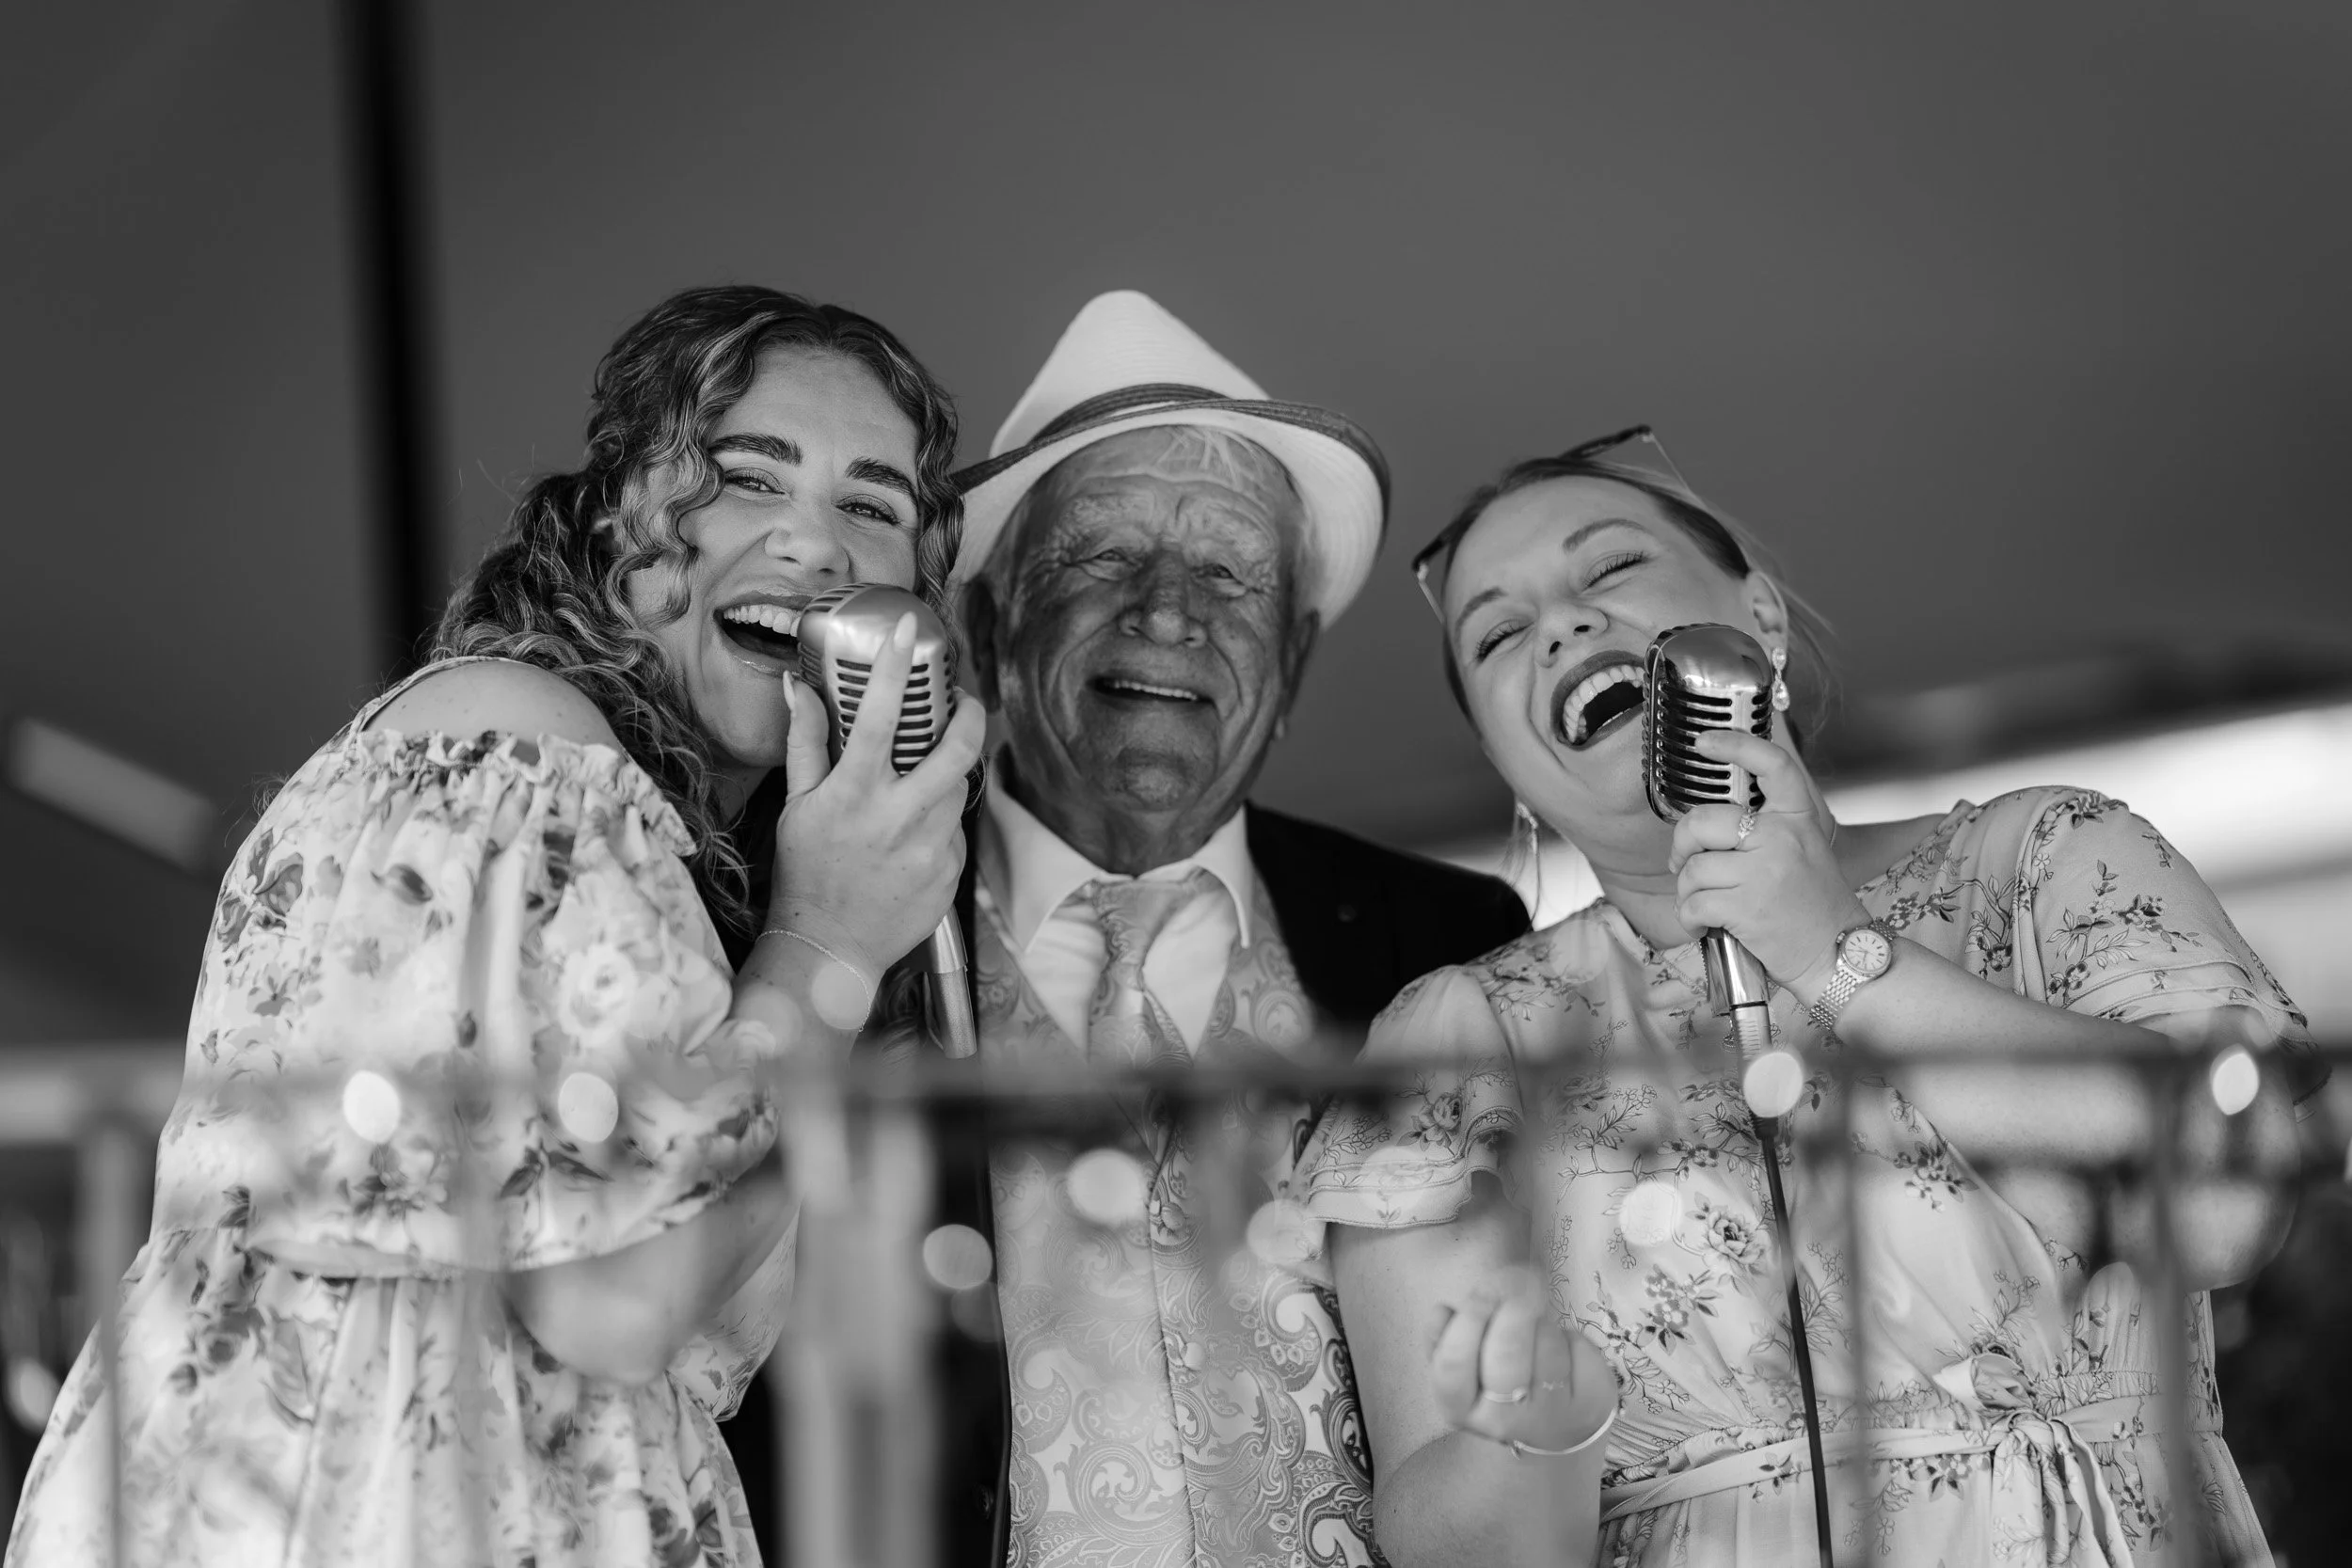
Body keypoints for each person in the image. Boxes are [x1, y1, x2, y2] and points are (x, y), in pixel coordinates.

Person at [3, 285, 983, 1567]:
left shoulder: (659, 862)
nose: (815, 546)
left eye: (873, 504)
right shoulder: (512, 753)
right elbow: (617, 1297)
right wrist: (828, 945)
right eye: (747, 478)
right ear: (618, 525)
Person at [1295, 427, 2326, 1567]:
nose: (1563, 624)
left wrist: (1832, 945)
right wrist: (1541, 1419)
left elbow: (2224, 1212)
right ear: (1502, 755)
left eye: (1611, 570)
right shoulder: (1457, 1042)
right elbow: (1447, 1547)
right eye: (1497, 631)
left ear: (1762, 623)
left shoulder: (2044, 859)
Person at [934, 291, 1532, 1565]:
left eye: (1228, 571)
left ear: (1294, 664)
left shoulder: (1447, 941)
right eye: (1099, 553)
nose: (1166, 610)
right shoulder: (843, 938)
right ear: (986, 626)